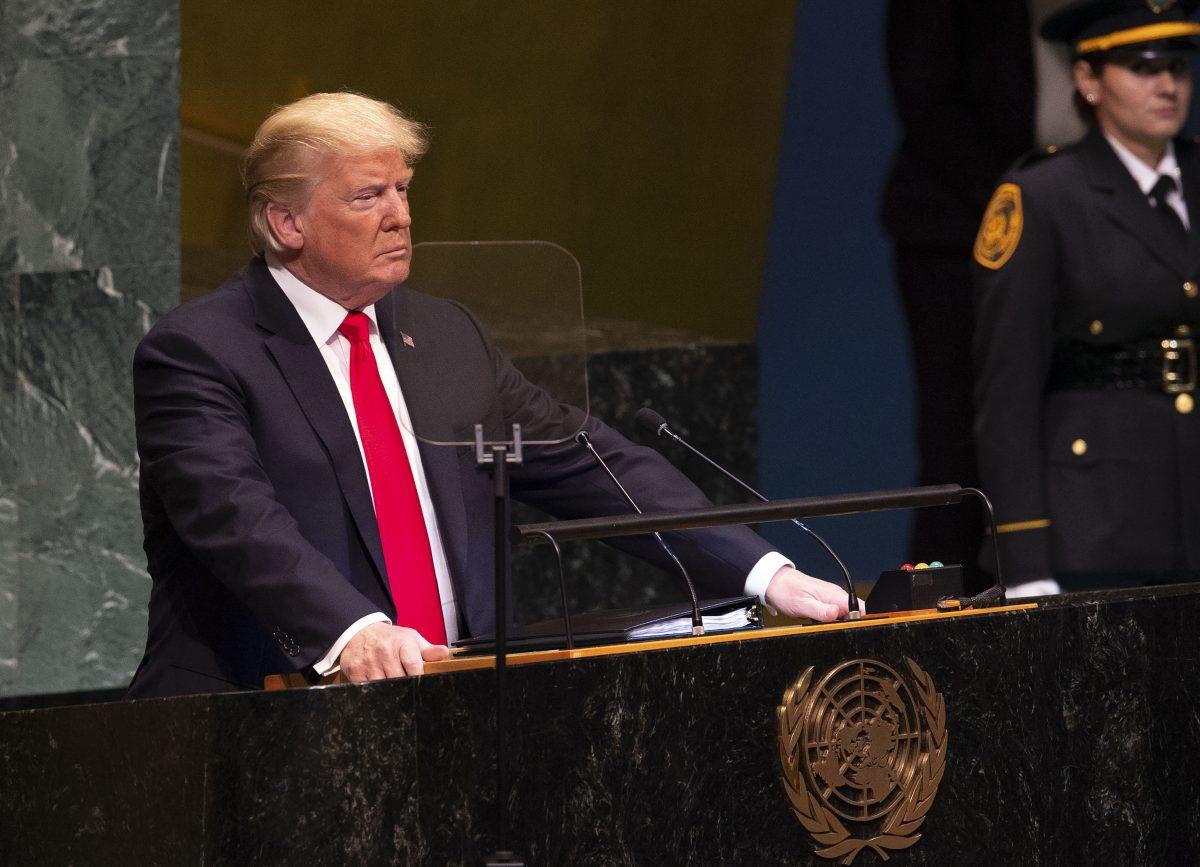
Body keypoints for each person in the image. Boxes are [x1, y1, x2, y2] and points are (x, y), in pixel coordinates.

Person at [127, 92, 851, 698]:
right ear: (287, 223)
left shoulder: (447, 337)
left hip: (457, 706)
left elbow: (593, 466)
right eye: (368, 195)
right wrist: (353, 631)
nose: (400, 215)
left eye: (404, 189)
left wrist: (765, 573)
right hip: (255, 719)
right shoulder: (200, 351)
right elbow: (239, 520)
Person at [973, 0, 1200, 596]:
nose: (1168, 85)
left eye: (1178, 66)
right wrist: (1024, 562)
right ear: (1087, 80)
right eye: (1142, 68)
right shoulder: (1045, 197)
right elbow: (1009, 394)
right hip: (1101, 520)